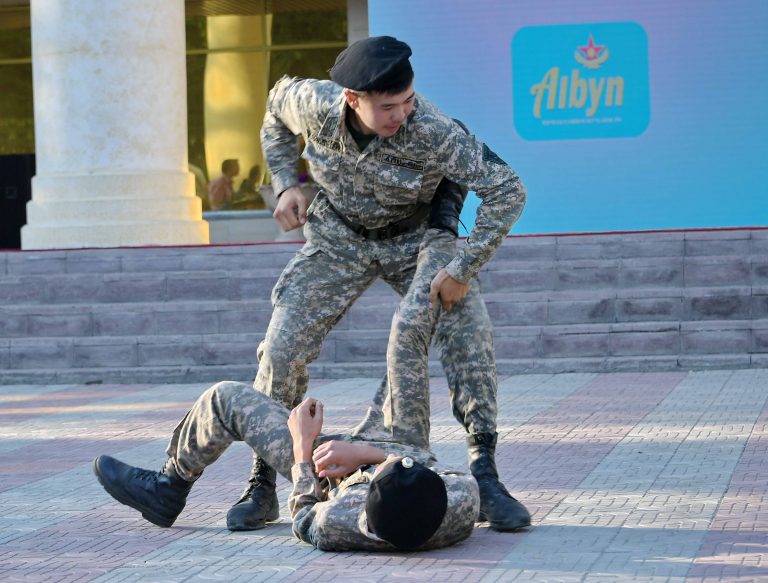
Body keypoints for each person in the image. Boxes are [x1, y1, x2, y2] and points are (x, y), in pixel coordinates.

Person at [228, 35, 529, 534]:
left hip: (414, 239)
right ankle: (262, 480)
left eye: (407, 101)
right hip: (338, 237)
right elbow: (274, 114)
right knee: (282, 346)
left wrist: (462, 267)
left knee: (468, 326)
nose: (402, 115)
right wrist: (285, 183)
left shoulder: (431, 129)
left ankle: (486, 472)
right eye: (389, 107)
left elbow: (507, 189)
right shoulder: (315, 103)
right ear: (353, 99)